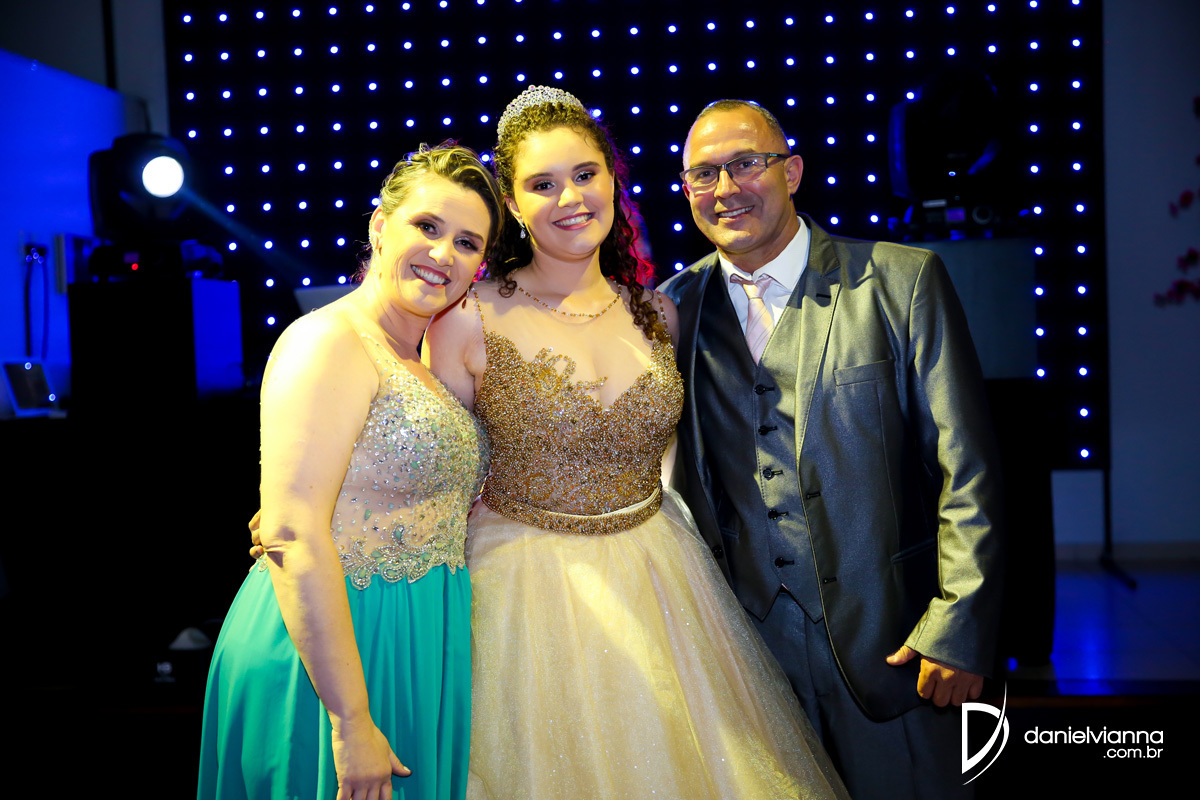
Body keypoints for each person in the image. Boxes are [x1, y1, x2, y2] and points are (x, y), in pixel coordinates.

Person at [426, 86, 849, 800]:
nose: (570, 198)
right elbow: (433, 468)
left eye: (584, 175)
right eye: (542, 184)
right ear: (513, 204)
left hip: (662, 577)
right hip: (521, 592)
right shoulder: (468, 318)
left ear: (612, 182)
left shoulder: (659, 313)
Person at [660, 99, 1005, 800]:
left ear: (792, 171)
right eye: (703, 174)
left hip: (897, 644)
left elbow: (966, 468)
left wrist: (959, 622)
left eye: (745, 164)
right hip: (749, 658)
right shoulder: (673, 308)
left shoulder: (901, 281)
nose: (725, 189)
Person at [198, 143, 503, 800]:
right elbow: (291, 532)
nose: (444, 253)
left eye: (467, 243)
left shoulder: (420, 358)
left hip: (418, 635)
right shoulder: (328, 340)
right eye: (427, 226)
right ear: (379, 227)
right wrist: (350, 719)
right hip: (336, 653)